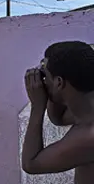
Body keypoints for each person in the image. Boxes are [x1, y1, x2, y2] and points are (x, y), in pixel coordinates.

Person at [22, 41, 94, 183]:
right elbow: (59, 118)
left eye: (46, 77)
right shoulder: (86, 108)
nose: (44, 81)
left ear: (59, 82)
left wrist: (37, 107)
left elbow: (31, 164)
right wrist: (51, 86)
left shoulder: (89, 136)